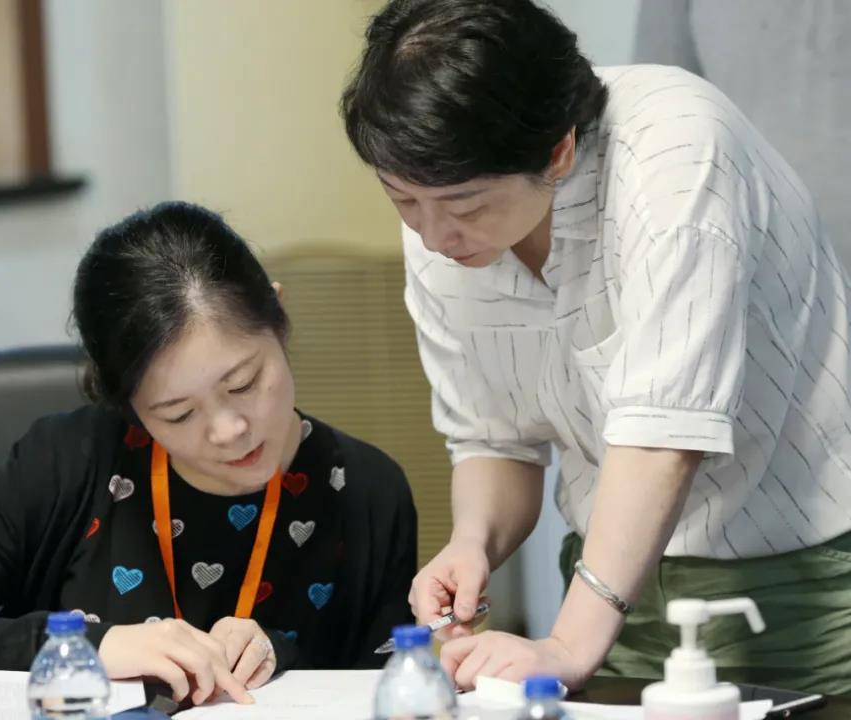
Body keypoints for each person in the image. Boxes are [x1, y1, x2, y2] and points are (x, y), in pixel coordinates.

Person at [341, 0, 851, 695]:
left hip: (805, 586)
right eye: (402, 201)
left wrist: (567, 643)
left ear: (558, 151)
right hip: (610, 590)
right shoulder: (439, 196)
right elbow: (495, 437)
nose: (432, 236)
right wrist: (473, 543)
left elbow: (664, 434)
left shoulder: (677, 152)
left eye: (466, 206)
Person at [0, 202, 417, 705]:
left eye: (243, 383)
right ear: (128, 405)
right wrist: (92, 646)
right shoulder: (68, 462)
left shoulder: (367, 491)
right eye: (178, 414)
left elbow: (390, 690)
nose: (228, 430)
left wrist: (285, 656)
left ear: (279, 316)